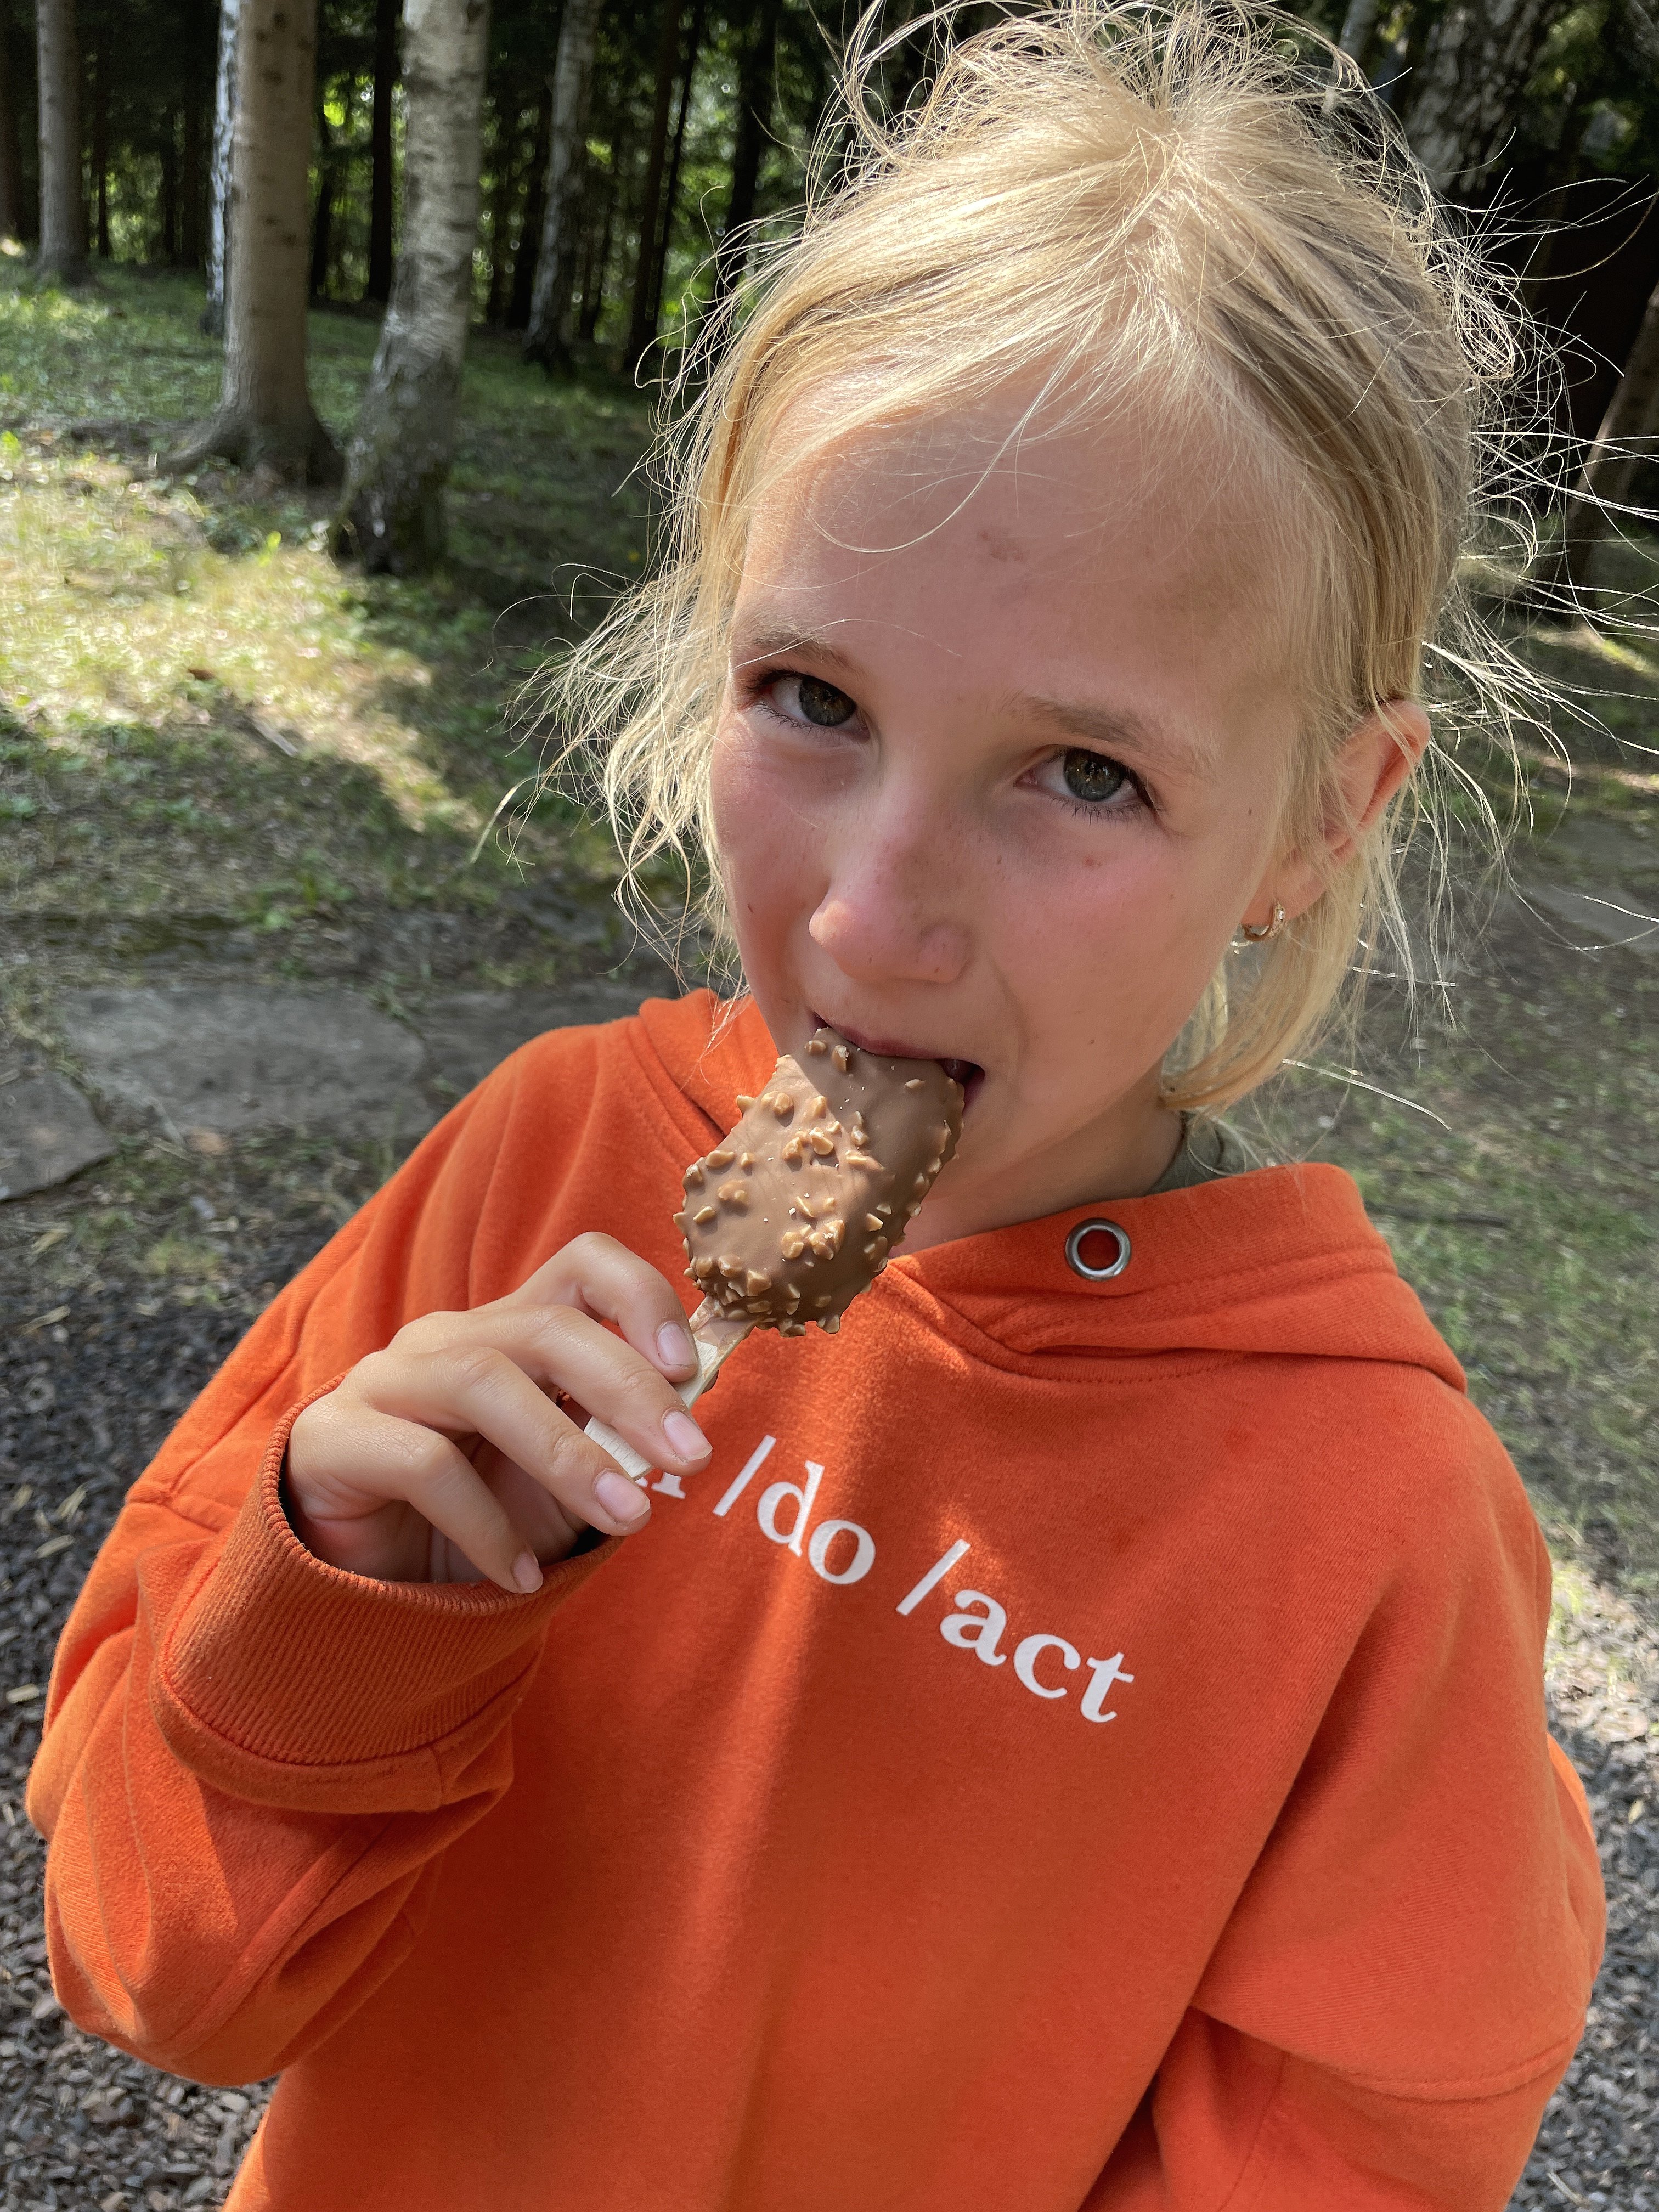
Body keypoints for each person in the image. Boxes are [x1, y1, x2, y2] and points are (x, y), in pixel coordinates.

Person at [29, 7, 1604, 2207]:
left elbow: (1368, 2152)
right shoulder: (537, 1163)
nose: (870, 920)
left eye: (1085, 773)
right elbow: (149, 1975)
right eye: (812, 697)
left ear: (1321, 821)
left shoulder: (1372, 1530)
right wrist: (338, 1615)